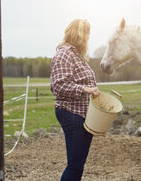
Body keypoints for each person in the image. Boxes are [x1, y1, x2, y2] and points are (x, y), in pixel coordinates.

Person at [50, 19, 100, 181]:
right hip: (71, 113)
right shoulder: (64, 54)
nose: (87, 39)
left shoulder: (77, 56)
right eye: (86, 34)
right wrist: (85, 89)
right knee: (75, 164)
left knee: (78, 164)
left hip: (83, 114)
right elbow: (58, 86)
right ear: (79, 35)